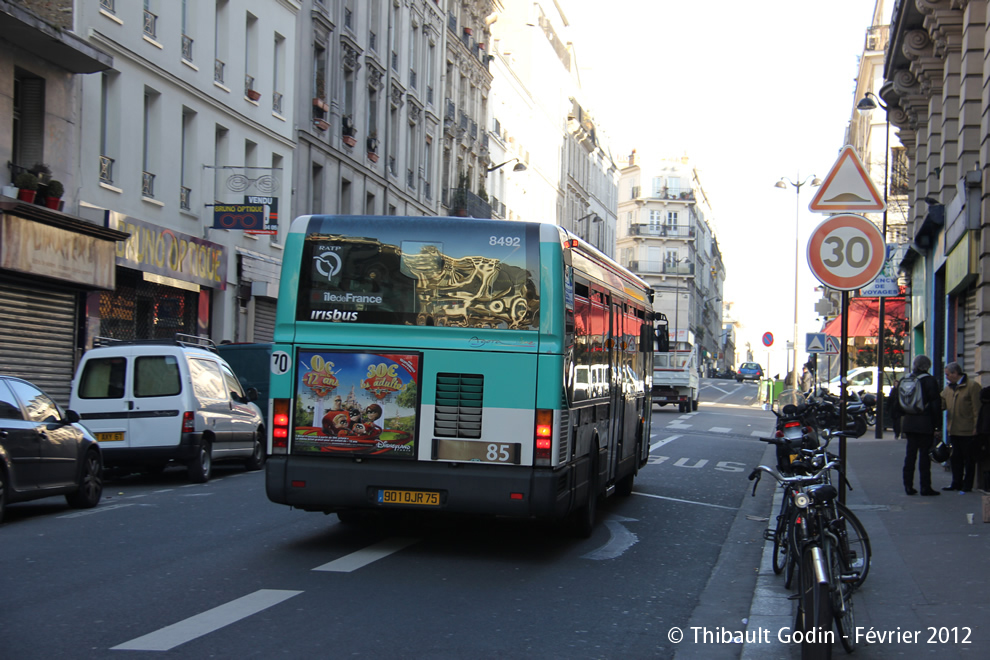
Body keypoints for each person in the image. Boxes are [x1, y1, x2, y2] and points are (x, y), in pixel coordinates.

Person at [892, 355, 942, 496]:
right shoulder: (930, 381)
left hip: (909, 422)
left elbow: (898, 403)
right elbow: (935, 405)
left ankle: (908, 485)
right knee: (924, 457)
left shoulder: (906, 379)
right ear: (927, 366)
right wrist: (937, 426)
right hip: (925, 422)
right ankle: (925, 487)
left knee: (910, 455)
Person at [940, 362, 982, 493]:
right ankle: (956, 482)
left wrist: (976, 427)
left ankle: (967, 484)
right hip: (953, 429)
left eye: (948, 374)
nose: (946, 377)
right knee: (955, 458)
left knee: (969, 459)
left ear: (955, 373)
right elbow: (942, 403)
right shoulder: (948, 389)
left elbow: (977, 409)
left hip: (968, 430)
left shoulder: (972, 386)